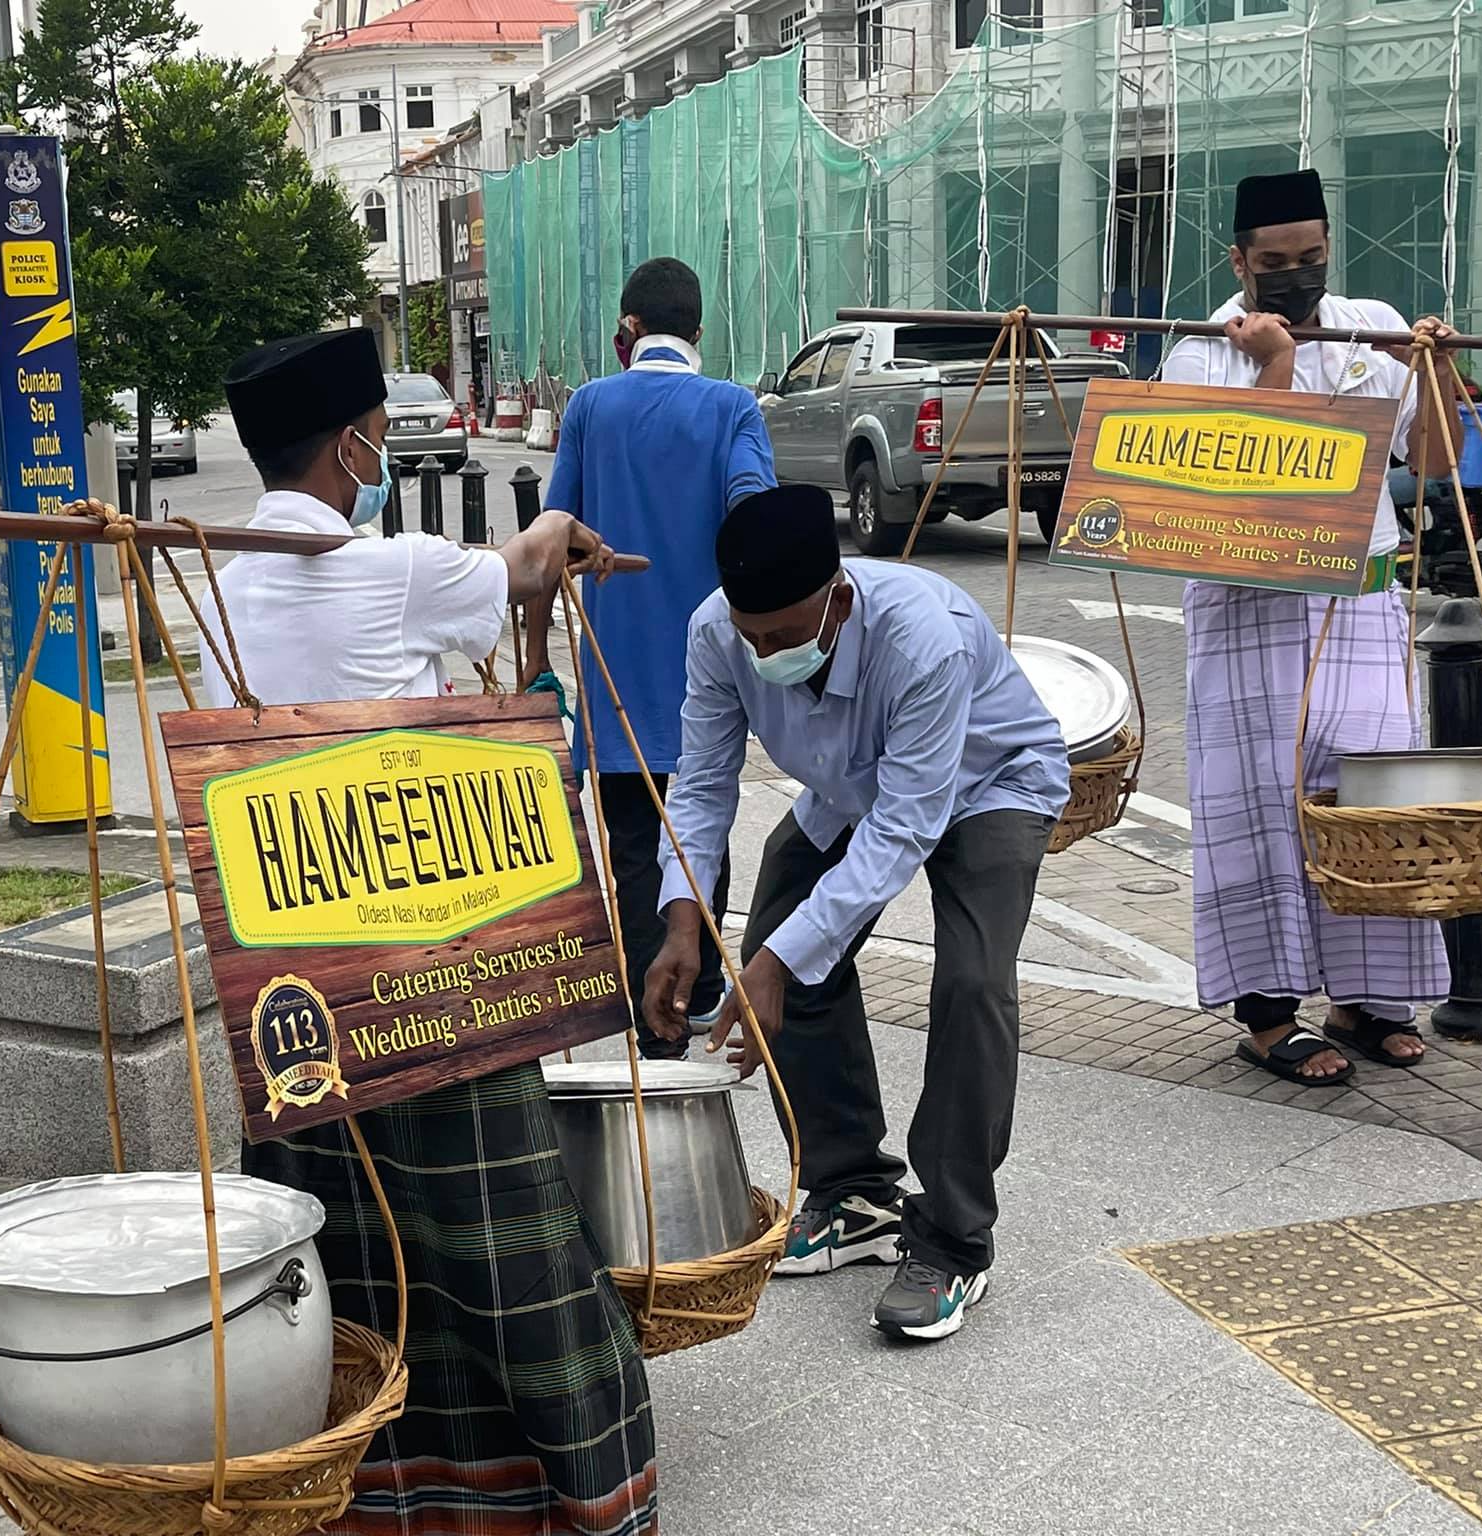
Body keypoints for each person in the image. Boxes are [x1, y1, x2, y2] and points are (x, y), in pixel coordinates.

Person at [198, 326, 657, 1535]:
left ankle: (372, 1480)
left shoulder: (217, 578)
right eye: (375, 438)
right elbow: (520, 565)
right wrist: (558, 535)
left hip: (293, 972)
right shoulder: (392, 567)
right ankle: (573, 1478)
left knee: (352, 1235)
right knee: (500, 1241)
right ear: (354, 445)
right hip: (428, 965)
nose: (379, 455)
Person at [644, 485, 1069, 1340]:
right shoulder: (714, 632)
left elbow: (907, 827)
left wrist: (774, 963)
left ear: (838, 600)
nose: (763, 653)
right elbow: (702, 781)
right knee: (779, 931)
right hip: (854, 790)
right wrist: (683, 917)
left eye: (783, 635)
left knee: (973, 985)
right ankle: (853, 1191)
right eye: (749, 633)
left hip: (990, 786)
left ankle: (952, 1240)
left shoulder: (924, 640)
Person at [1162, 168, 1457, 1084]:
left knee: (1368, 798)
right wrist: (1276, 363)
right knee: (1263, 806)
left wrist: (1434, 370)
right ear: (1239, 260)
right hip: (1249, 609)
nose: (1296, 275)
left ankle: (1369, 1002)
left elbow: (1434, 460)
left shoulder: (1371, 325)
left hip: (1361, 602)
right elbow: (1260, 493)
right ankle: (1267, 1014)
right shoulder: (1195, 354)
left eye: (1312, 258)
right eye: (1275, 262)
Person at [526, 256, 777, 1061]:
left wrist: (538, 664)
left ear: (624, 332)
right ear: (699, 332)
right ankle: (699, 991)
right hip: (713, 675)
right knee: (705, 826)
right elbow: (754, 513)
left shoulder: (592, 407)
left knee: (636, 843)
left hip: (616, 676)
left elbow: (551, 540)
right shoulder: (734, 408)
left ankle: (648, 1005)